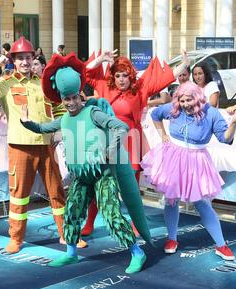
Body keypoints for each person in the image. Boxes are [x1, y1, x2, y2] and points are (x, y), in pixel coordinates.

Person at [20, 52, 148, 273]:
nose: (70, 102)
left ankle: (137, 252)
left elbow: (121, 127)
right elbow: (42, 128)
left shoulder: (93, 112)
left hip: (102, 175)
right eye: (66, 99)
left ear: (81, 97)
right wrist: (26, 122)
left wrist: (110, 149)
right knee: (71, 213)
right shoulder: (64, 119)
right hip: (81, 177)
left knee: (112, 214)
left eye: (74, 98)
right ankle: (71, 254)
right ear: (62, 99)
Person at [0, 36, 84, 253]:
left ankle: (67, 235)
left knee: (58, 192)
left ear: (34, 58)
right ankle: (16, 238)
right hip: (20, 146)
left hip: (46, 145)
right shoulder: (6, 84)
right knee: (19, 195)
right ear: (13, 61)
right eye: (19, 58)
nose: (24, 62)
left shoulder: (43, 83)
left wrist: (60, 129)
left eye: (28, 57)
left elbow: (59, 107)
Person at [80, 49, 190, 236]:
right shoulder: (105, 87)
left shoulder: (140, 89)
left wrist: (183, 66)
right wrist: (100, 59)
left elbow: (163, 80)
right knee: (98, 184)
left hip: (131, 141)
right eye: (117, 75)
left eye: (125, 75)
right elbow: (85, 73)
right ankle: (89, 223)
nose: (121, 79)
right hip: (106, 141)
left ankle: (136, 223)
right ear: (113, 77)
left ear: (131, 76)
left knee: (131, 188)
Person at [140, 82, 236, 259]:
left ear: (197, 98)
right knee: (171, 199)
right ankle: (172, 238)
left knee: (202, 203)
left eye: (189, 100)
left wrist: (233, 123)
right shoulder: (174, 108)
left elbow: (225, 138)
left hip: (197, 160)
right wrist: (163, 134)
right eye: (182, 100)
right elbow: (156, 114)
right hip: (172, 157)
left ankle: (221, 244)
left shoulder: (211, 113)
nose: (185, 104)